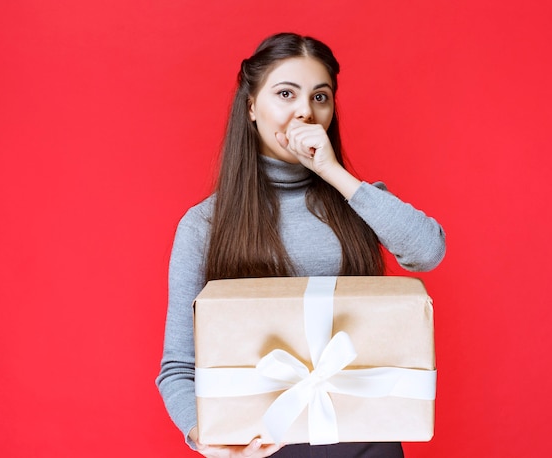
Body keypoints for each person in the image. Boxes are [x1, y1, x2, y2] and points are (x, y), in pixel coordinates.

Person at [156, 32, 446, 458]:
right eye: (286, 93)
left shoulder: (359, 201)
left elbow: (428, 251)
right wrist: (205, 434)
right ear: (252, 106)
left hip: (366, 440)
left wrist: (334, 173)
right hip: (260, 445)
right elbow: (177, 367)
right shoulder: (205, 224)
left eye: (320, 97)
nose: (304, 112)